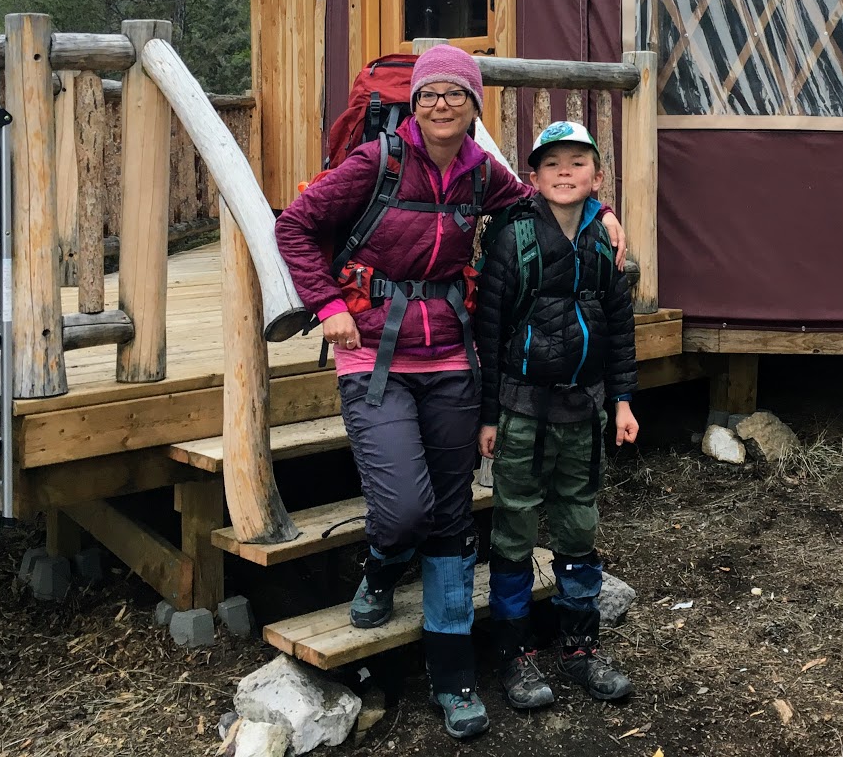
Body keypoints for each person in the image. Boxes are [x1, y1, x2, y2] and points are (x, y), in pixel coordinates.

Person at [274, 49, 625, 741]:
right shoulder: (377, 162)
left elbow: (541, 196)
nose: (441, 105)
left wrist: (601, 208)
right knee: (405, 507)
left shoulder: (479, 172)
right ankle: (379, 568)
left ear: (473, 105)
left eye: (455, 95)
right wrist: (325, 305)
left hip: (450, 355)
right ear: (414, 101)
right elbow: (296, 225)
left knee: (452, 518)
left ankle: (454, 674)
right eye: (430, 93)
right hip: (371, 351)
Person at [474, 120, 640, 712]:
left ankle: (579, 647)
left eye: (577, 162)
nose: (564, 172)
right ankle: (515, 655)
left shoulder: (605, 240)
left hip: (583, 406)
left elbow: (620, 328)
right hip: (519, 407)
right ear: (534, 175)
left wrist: (622, 400)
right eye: (551, 163)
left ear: (597, 176)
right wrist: (487, 414)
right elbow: (489, 330)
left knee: (578, 524)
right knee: (514, 527)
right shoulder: (513, 236)